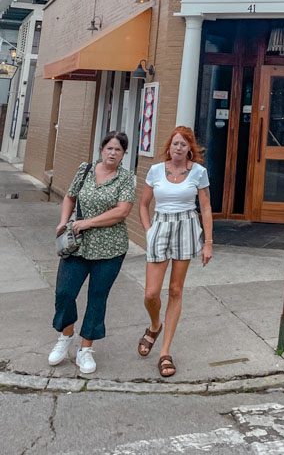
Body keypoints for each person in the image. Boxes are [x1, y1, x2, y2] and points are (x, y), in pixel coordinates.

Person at [49, 131, 135, 375]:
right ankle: (66, 337)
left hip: (110, 249)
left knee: (97, 299)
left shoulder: (126, 178)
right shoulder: (85, 170)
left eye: (118, 150)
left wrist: (88, 222)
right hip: (77, 246)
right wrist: (64, 221)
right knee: (65, 293)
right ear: (101, 149)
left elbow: (121, 212)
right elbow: (69, 196)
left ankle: (85, 349)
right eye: (109, 148)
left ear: (124, 154)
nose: (112, 153)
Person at [137, 125, 213, 377]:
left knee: (176, 290)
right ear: (169, 146)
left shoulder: (199, 173)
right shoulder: (156, 170)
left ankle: (165, 352)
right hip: (160, 226)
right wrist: (149, 230)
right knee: (151, 294)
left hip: (186, 227)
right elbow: (144, 204)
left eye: (183, 144)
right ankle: (155, 325)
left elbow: (205, 208)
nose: (178, 147)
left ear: (191, 148)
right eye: (175, 143)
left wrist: (208, 242)